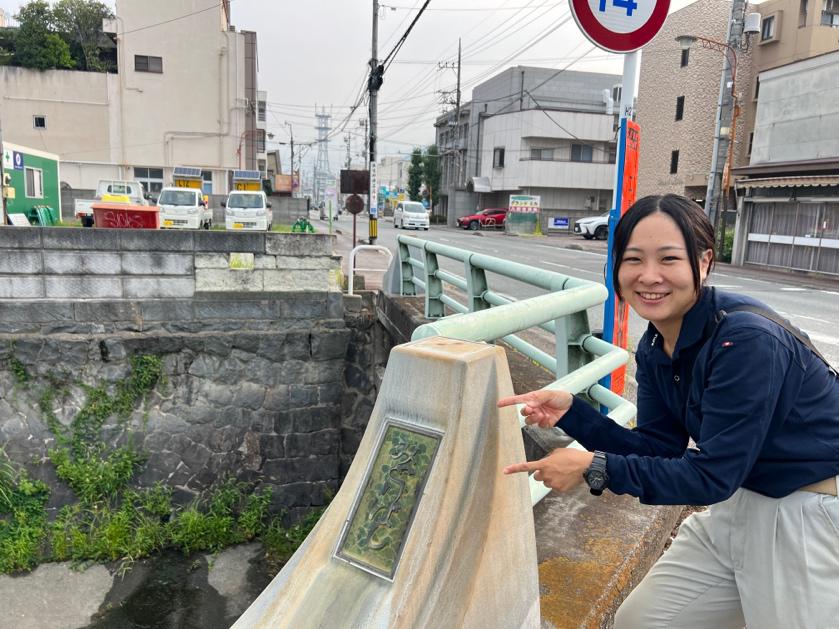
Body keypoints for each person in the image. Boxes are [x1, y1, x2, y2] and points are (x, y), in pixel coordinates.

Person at [499, 194, 839, 628]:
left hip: (807, 511)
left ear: (704, 263)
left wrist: (593, 467)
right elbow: (661, 446)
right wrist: (573, 415)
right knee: (643, 621)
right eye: (634, 259)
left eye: (669, 259)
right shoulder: (657, 344)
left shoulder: (747, 340)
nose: (649, 276)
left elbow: (710, 477)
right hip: (741, 501)